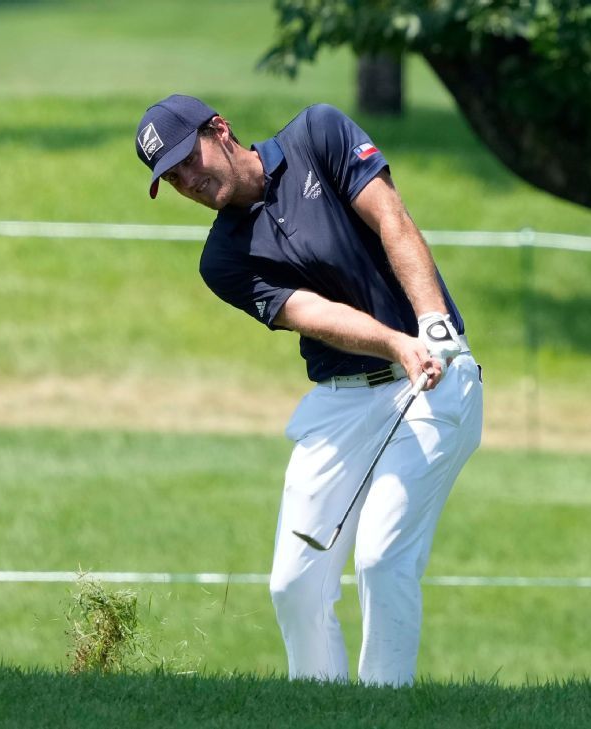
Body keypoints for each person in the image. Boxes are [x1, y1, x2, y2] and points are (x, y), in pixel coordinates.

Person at [134, 94, 484, 686]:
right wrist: (397, 344)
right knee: (294, 583)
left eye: (186, 160)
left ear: (219, 129)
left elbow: (391, 217)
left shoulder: (317, 135)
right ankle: (321, 707)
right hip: (343, 398)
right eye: (171, 179)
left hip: (436, 377)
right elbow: (313, 313)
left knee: (380, 557)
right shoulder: (222, 260)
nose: (187, 181)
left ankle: (383, 711)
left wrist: (432, 328)